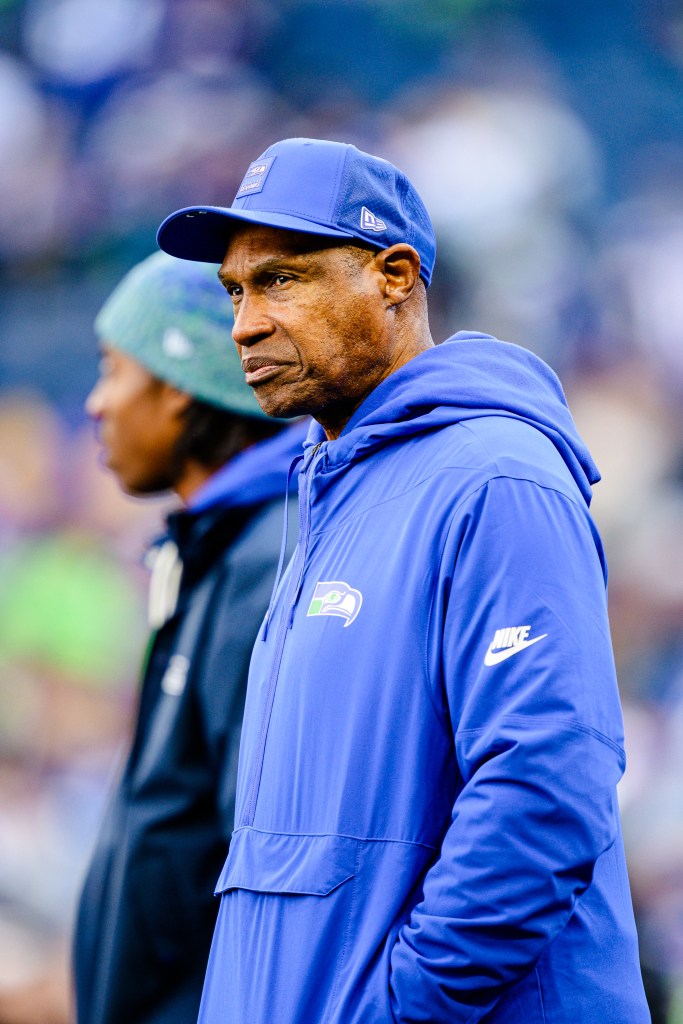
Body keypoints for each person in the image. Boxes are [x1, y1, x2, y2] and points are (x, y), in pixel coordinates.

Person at [158, 138, 650, 1023]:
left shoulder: (495, 476)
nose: (243, 323)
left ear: (393, 274)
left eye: (280, 280)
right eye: (234, 291)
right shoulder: (330, 489)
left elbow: (545, 784)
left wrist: (401, 1007)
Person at [72, 251, 305, 1024]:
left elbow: (262, 851)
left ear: (177, 386)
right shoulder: (218, 548)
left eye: (113, 370)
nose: (97, 404)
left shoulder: (264, 558)